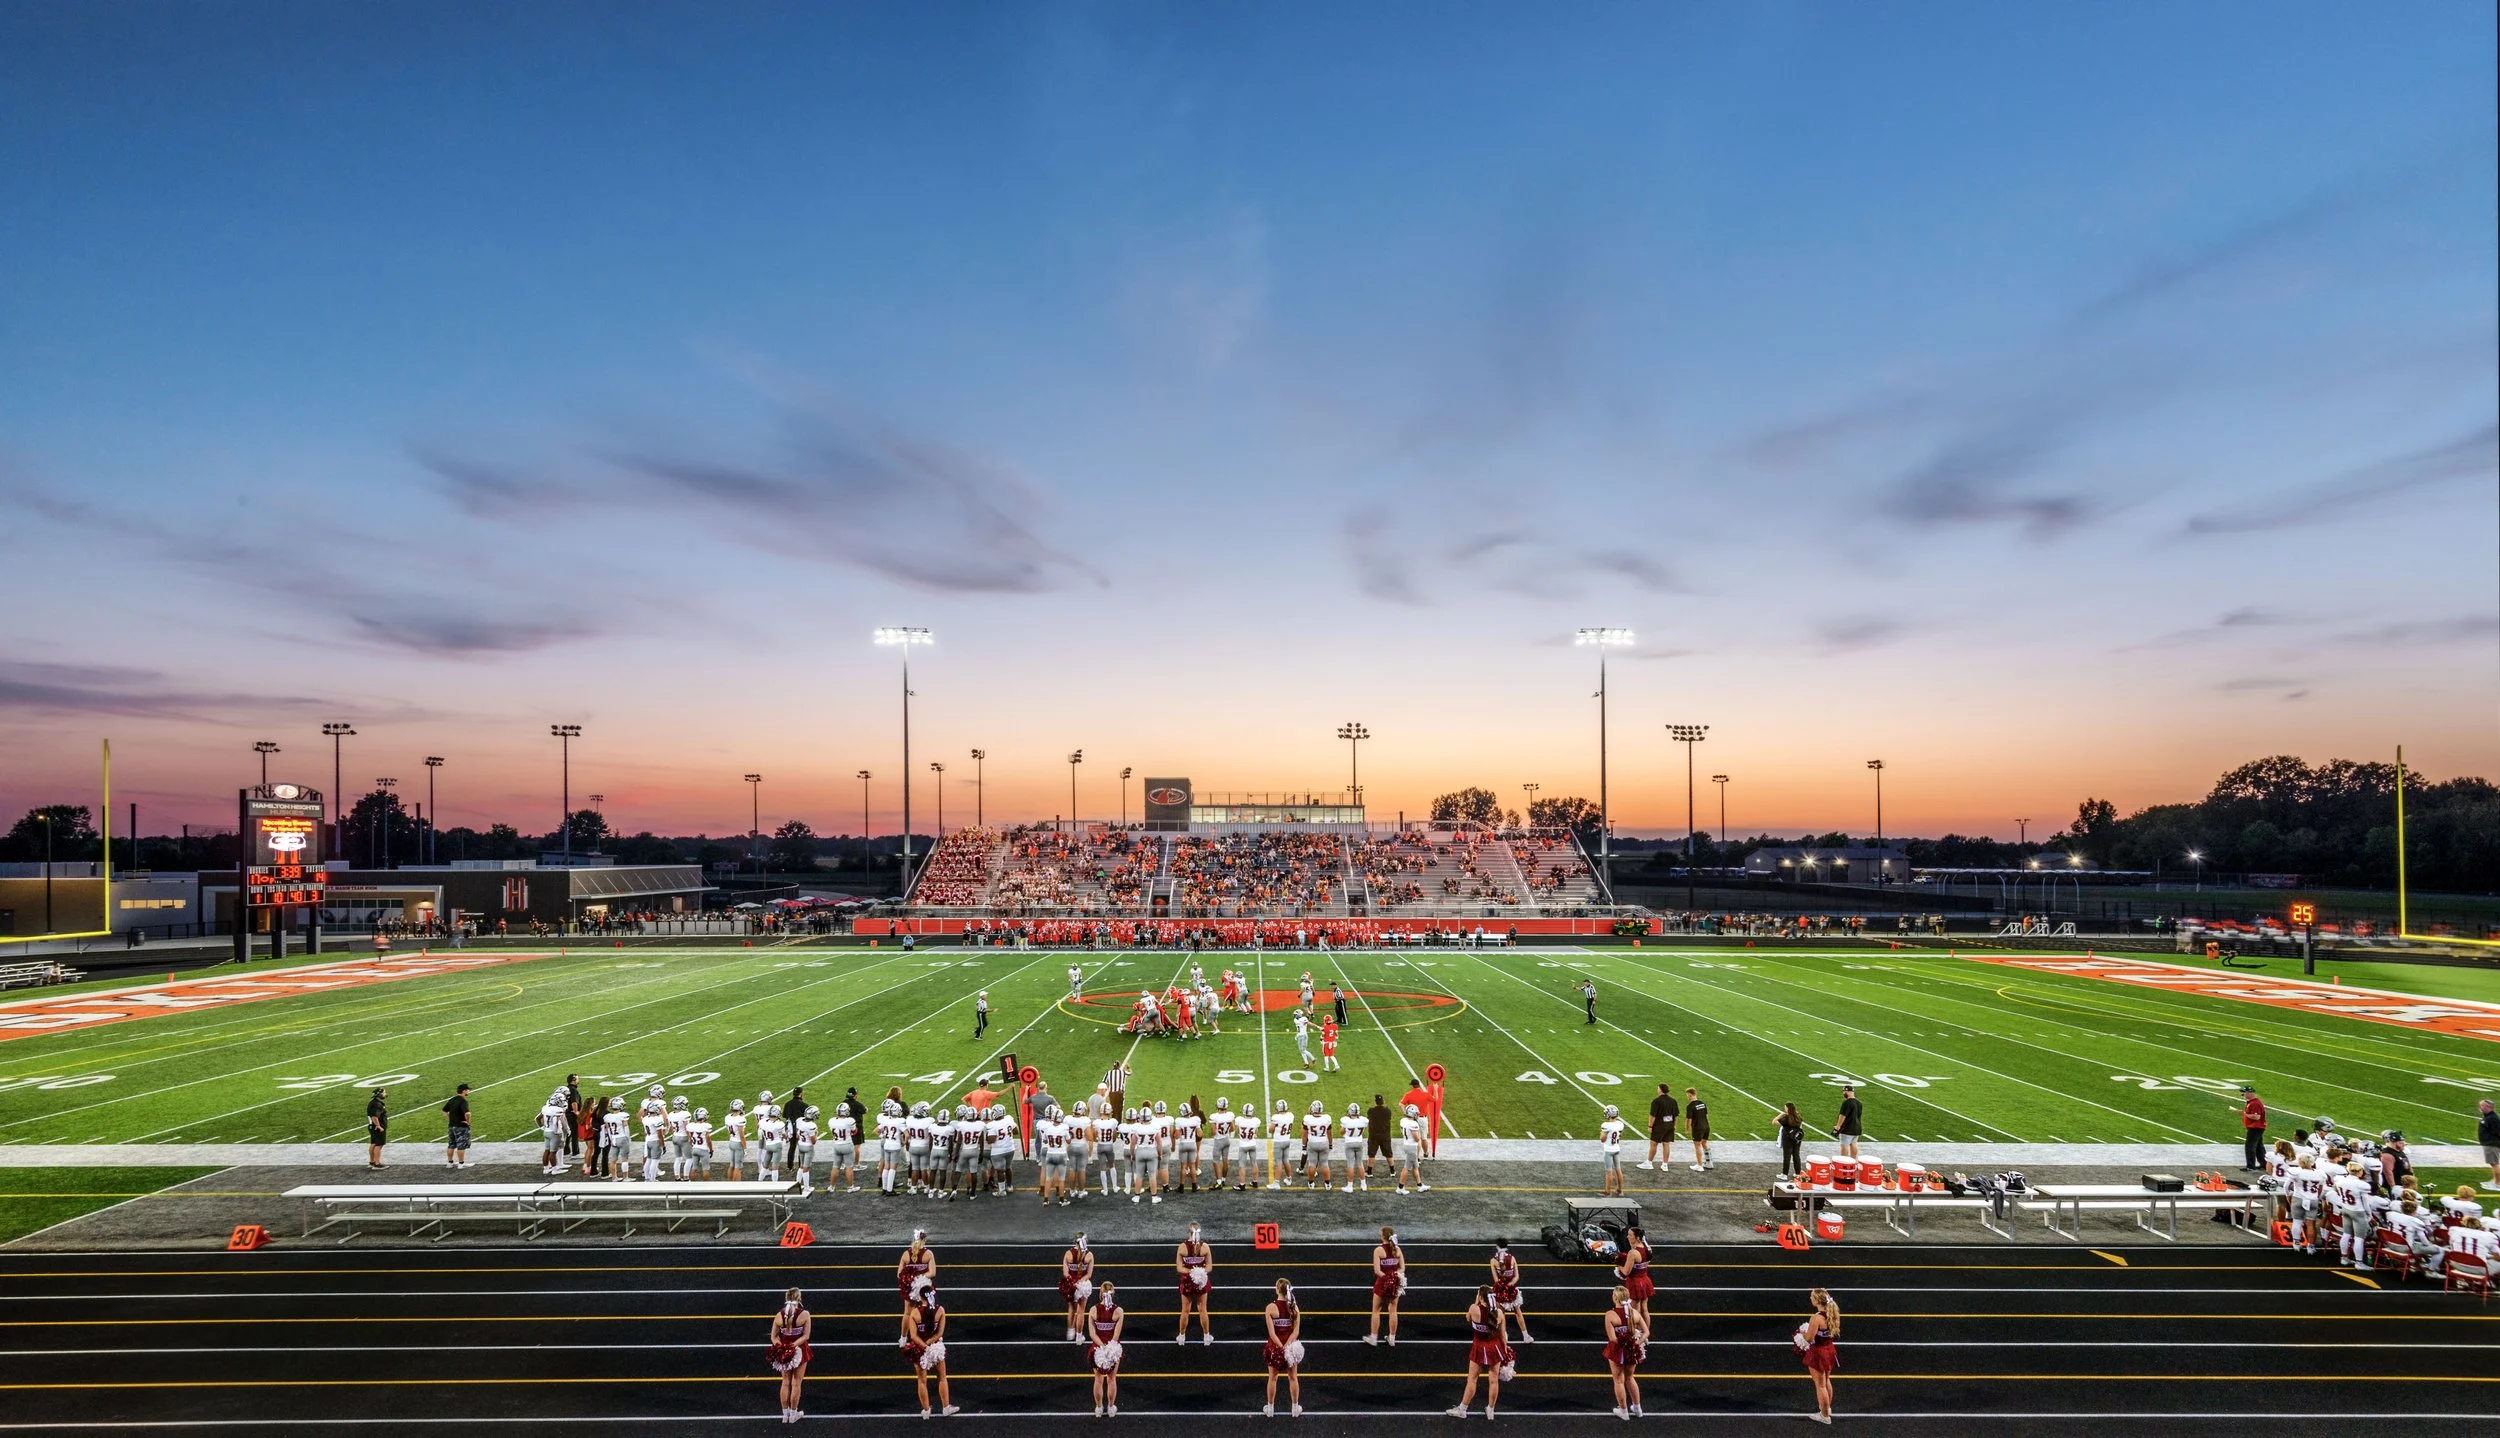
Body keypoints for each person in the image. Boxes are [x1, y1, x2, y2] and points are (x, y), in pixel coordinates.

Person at [1447, 1284, 1512, 1419]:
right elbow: (1503, 1336)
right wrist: (1505, 1351)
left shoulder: (1474, 1308)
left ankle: (1463, 1409)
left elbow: (1467, 1318)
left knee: (1472, 1379)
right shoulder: (1499, 1313)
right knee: (1494, 1380)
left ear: (1481, 1297)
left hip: (1479, 1347)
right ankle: (1491, 1410)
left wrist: (1476, 1302)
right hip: (1495, 1348)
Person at [900, 1283, 956, 1417]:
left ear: (920, 1298)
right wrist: (930, 1345)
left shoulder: (914, 1313)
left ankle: (926, 1411)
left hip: (919, 1350)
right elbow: (939, 1333)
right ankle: (946, 1407)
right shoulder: (940, 1310)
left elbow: (913, 1336)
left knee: (922, 1380)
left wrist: (924, 1347)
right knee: (942, 1377)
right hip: (936, 1348)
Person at [768, 1287, 813, 1425]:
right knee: (796, 1383)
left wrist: (782, 1347)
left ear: (786, 1299)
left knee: (785, 1382)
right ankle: (793, 1414)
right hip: (800, 1351)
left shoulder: (779, 1315)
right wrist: (793, 1346)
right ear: (799, 1299)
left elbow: (773, 1336)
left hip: (784, 1353)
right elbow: (806, 1336)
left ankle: (785, 1415)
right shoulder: (804, 1315)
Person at [1603, 1282, 1648, 1419]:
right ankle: (1638, 1408)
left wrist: (1625, 1345)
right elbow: (1646, 1332)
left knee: (1618, 1381)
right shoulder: (1634, 1313)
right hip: (1632, 1351)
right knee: (1630, 1377)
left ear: (1615, 1298)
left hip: (1617, 1351)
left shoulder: (1610, 1315)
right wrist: (1635, 1344)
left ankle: (1623, 1411)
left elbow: (1612, 1338)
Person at [1796, 1288, 1841, 1424]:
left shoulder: (1816, 1318)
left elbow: (1809, 1338)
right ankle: (1827, 1408)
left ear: (1817, 1300)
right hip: (1829, 1350)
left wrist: (1801, 1333)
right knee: (1826, 1380)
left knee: (1820, 1385)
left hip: (1819, 1353)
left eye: (1811, 1297)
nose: (1810, 1298)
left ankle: (1824, 1416)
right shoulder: (1832, 1313)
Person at [1262, 1277, 1304, 1418]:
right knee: (1293, 1377)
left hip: (1275, 1348)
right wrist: (1287, 1347)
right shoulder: (1295, 1308)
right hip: (1291, 1349)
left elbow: (1272, 1333)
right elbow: (1296, 1332)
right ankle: (1294, 1409)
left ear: (1276, 1290)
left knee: (1273, 1378)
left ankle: (1271, 1409)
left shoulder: (1270, 1308)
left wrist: (1280, 1347)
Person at [1087, 1280, 1126, 1417]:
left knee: (1098, 1380)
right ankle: (1110, 1407)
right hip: (1113, 1350)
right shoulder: (1118, 1311)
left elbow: (1092, 1334)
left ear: (1100, 1294)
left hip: (1097, 1349)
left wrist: (1102, 1347)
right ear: (1113, 1293)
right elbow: (1116, 1335)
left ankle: (1098, 1408)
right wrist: (1109, 1349)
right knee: (1111, 1379)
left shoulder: (1093, 1310)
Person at [1175, 1220, 1215, 1345]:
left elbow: (1179, 1268)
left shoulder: (1182, 1247)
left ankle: (1182, 1337)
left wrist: (1191, 1272)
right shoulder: (1205, 1247)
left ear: (1188, 1232)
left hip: (1187, 1281)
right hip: (1201, 1282)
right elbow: (1209, 1267)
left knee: (1185, 1310)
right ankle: (1206, 1337)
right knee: (1202, 1310)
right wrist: (1199, 1273)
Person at [1366, 1225, 1405, 1346]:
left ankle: (1373, 1338)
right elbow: (1402, 1268)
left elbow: (1377, 1271)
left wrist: (1387, 1278)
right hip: (1395, 1284)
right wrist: (1393, 1277)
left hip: (1382, 1284)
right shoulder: (1397, 1250)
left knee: (1376, 1310)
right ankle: (1392, 1338)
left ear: (1383, 1236)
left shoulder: (1378, 1250)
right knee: (1393, 1310)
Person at [1490, 1238, 1531, 1342]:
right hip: (1511, 1289)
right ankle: (1525, 1335)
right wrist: (1510, 1284)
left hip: (1501, 1289)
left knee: (1501, 1314)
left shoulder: (1493, 1261)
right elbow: (1517, 1276)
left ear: (1497, 1247)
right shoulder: (1512, 1258)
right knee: (1518, 1312)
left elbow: (1495, 1279)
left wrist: (1503, 1286)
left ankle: (1505, 1335)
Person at [1060, 1232, 1096, 1341]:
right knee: (1081, 1311)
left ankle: (1070, 1332)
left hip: (1071, 1286)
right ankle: (1079, 1336)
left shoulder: (1068, 1254)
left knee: (1071, 1308)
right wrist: (1080, 1282)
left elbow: (1065, 1273)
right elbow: (1089, 1275)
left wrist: (1073, 1282)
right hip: (1083, 1286)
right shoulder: (1089, 1255)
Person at [1616, 1224, 1654, 1325]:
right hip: (1645, 1280)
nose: (1627, 1237)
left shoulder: (1633, 1253)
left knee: (1634, 1309)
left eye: (1630, 1235)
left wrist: (1619, 1264)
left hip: (1635, 1282)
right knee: (1644, 1309)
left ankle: (1636, 1333)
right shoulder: (1647, 1248)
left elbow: (1626, 1272)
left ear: (1637, 1238)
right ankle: (1645, 1334)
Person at [439, 1085, 474, 1170]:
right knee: (461, 1145)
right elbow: (468, 1113)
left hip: (451, 1126)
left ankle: (450, 1163)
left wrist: (450, 1119)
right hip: (461, 1126)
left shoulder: (452, 1100)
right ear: (464, 1091)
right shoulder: (463, 1101)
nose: (468, 1091)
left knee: (451, 1144)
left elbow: (444, 1111)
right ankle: (461, 1164)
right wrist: (468, 1122)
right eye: (468, 1090)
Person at [1642, 1083, 1676, 1171]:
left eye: (1658, 1088)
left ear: (1660, 1090)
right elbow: (1676, 1115)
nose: (1657, 1090)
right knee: (1666, 1144)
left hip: (1659, 1125)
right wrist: (1674, 1125)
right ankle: (1665, 1165)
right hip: (1670, 1125)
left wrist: (1650, 1126)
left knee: (1653, 1143)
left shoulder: (1656, 1101)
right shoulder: (1673, 1100)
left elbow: (1652, 1115)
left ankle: (1649, 1163)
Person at [897, 1230, 937, 1303]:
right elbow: (932, 1273)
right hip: (924, 1287)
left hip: (909, 1288)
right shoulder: (928, 1254)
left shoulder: (905, 1254)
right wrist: (918, 1279)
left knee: (907, 1313)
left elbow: (899, 1274)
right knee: (925, 1309)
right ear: (924, 1240)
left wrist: (911, 1279)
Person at [1599, 1103, 1627, 1195]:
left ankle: (1607, 1191)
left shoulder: (1606, 1125)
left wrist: (1602, 1134)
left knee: (1608, 1171)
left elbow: (1602, 1139)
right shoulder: (1620, 1124)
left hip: (1608, 1150)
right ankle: (1620, 1190)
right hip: (1616, 1149)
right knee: (1618, 1169)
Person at [2241, 1085, 2269, 1172]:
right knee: (2259, 1146)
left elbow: (2256, 1117)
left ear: (2249, 1093)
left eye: (2244, 1093)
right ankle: (2264, 1164)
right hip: (2257, 1127)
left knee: (2250, 1146)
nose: (2243, 1095)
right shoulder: (2253, 1102)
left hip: (2255, 1128)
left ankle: (2250, 1166)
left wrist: (2244, 1114)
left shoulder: (2254, 1104)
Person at [1686, 1087, 1714, 1171]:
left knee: (1697, 1145)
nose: (1687, 1097)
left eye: (1687, 1095)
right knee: (1704, 1143)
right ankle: (1709, 1163)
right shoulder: (1702, 1103)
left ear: (1690, 1095)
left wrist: (1687, 1129)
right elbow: (1707, 1116)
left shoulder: (1690, 1106)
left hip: (1698, 1128)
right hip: (1706, 1126)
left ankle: (1699, 1165)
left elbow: (1688, 1120)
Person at [1834, 1085, 1863, 1161]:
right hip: (1857, 1127)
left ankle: (1844, 1161)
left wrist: (1838, 1126)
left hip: (1848, 1128)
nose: (1844, 1093)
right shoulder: (1859, 1103)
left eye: (1844, 1092)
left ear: (1848, 1092)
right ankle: (1853, 1161)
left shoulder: (1846, 1103)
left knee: (1844, 1145)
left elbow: (1842, 1115)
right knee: (1854, 1143)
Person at [1778, 1102, 1805, 1177]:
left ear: (1788, 1109)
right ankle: (1798, 1173)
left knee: (1787, 1156)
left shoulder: (1786, 1118)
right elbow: (1801, 1126)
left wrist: (1781, 1114)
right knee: (1796, 1155)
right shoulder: (1798, 1116)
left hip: (1787, 1139)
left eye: (1785, 1107)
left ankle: (1784, 1174)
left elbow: (1774, 1122)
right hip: (1797, 1138)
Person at [2481, 1099, 2499, 1185]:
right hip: (2489, 1143)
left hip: (2491, 1144)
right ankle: (2495, 1180)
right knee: (2493, 1163)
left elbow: (2497, 1132)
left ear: (2489, 1107)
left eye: (2483, 1105)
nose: (2481, 1107)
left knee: (2494, 1163)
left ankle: (2498, 1183)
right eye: (2481, 1105)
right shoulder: (2488, 1116)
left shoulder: (2492, 1118)